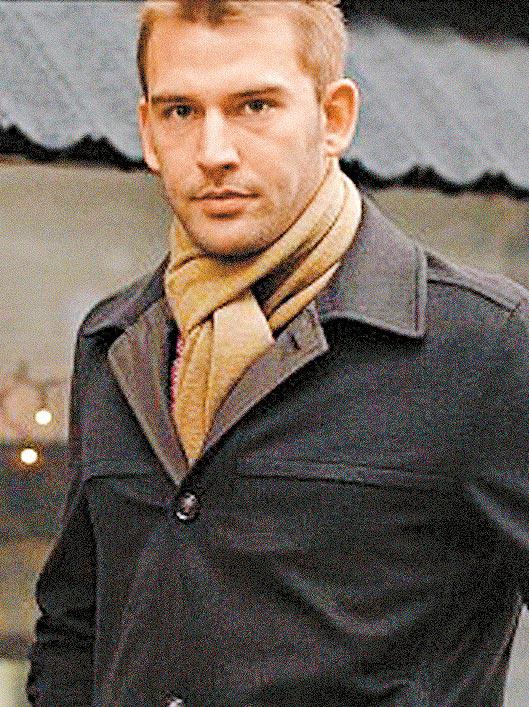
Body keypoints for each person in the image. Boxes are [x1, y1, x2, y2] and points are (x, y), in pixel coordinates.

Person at [27, 1, 529, 705]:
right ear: (146, 131)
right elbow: (76, 628)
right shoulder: (113, 340)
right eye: (180, 111)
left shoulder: (488, 345)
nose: (213, 151)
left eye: (254, 106)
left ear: (334, 118)